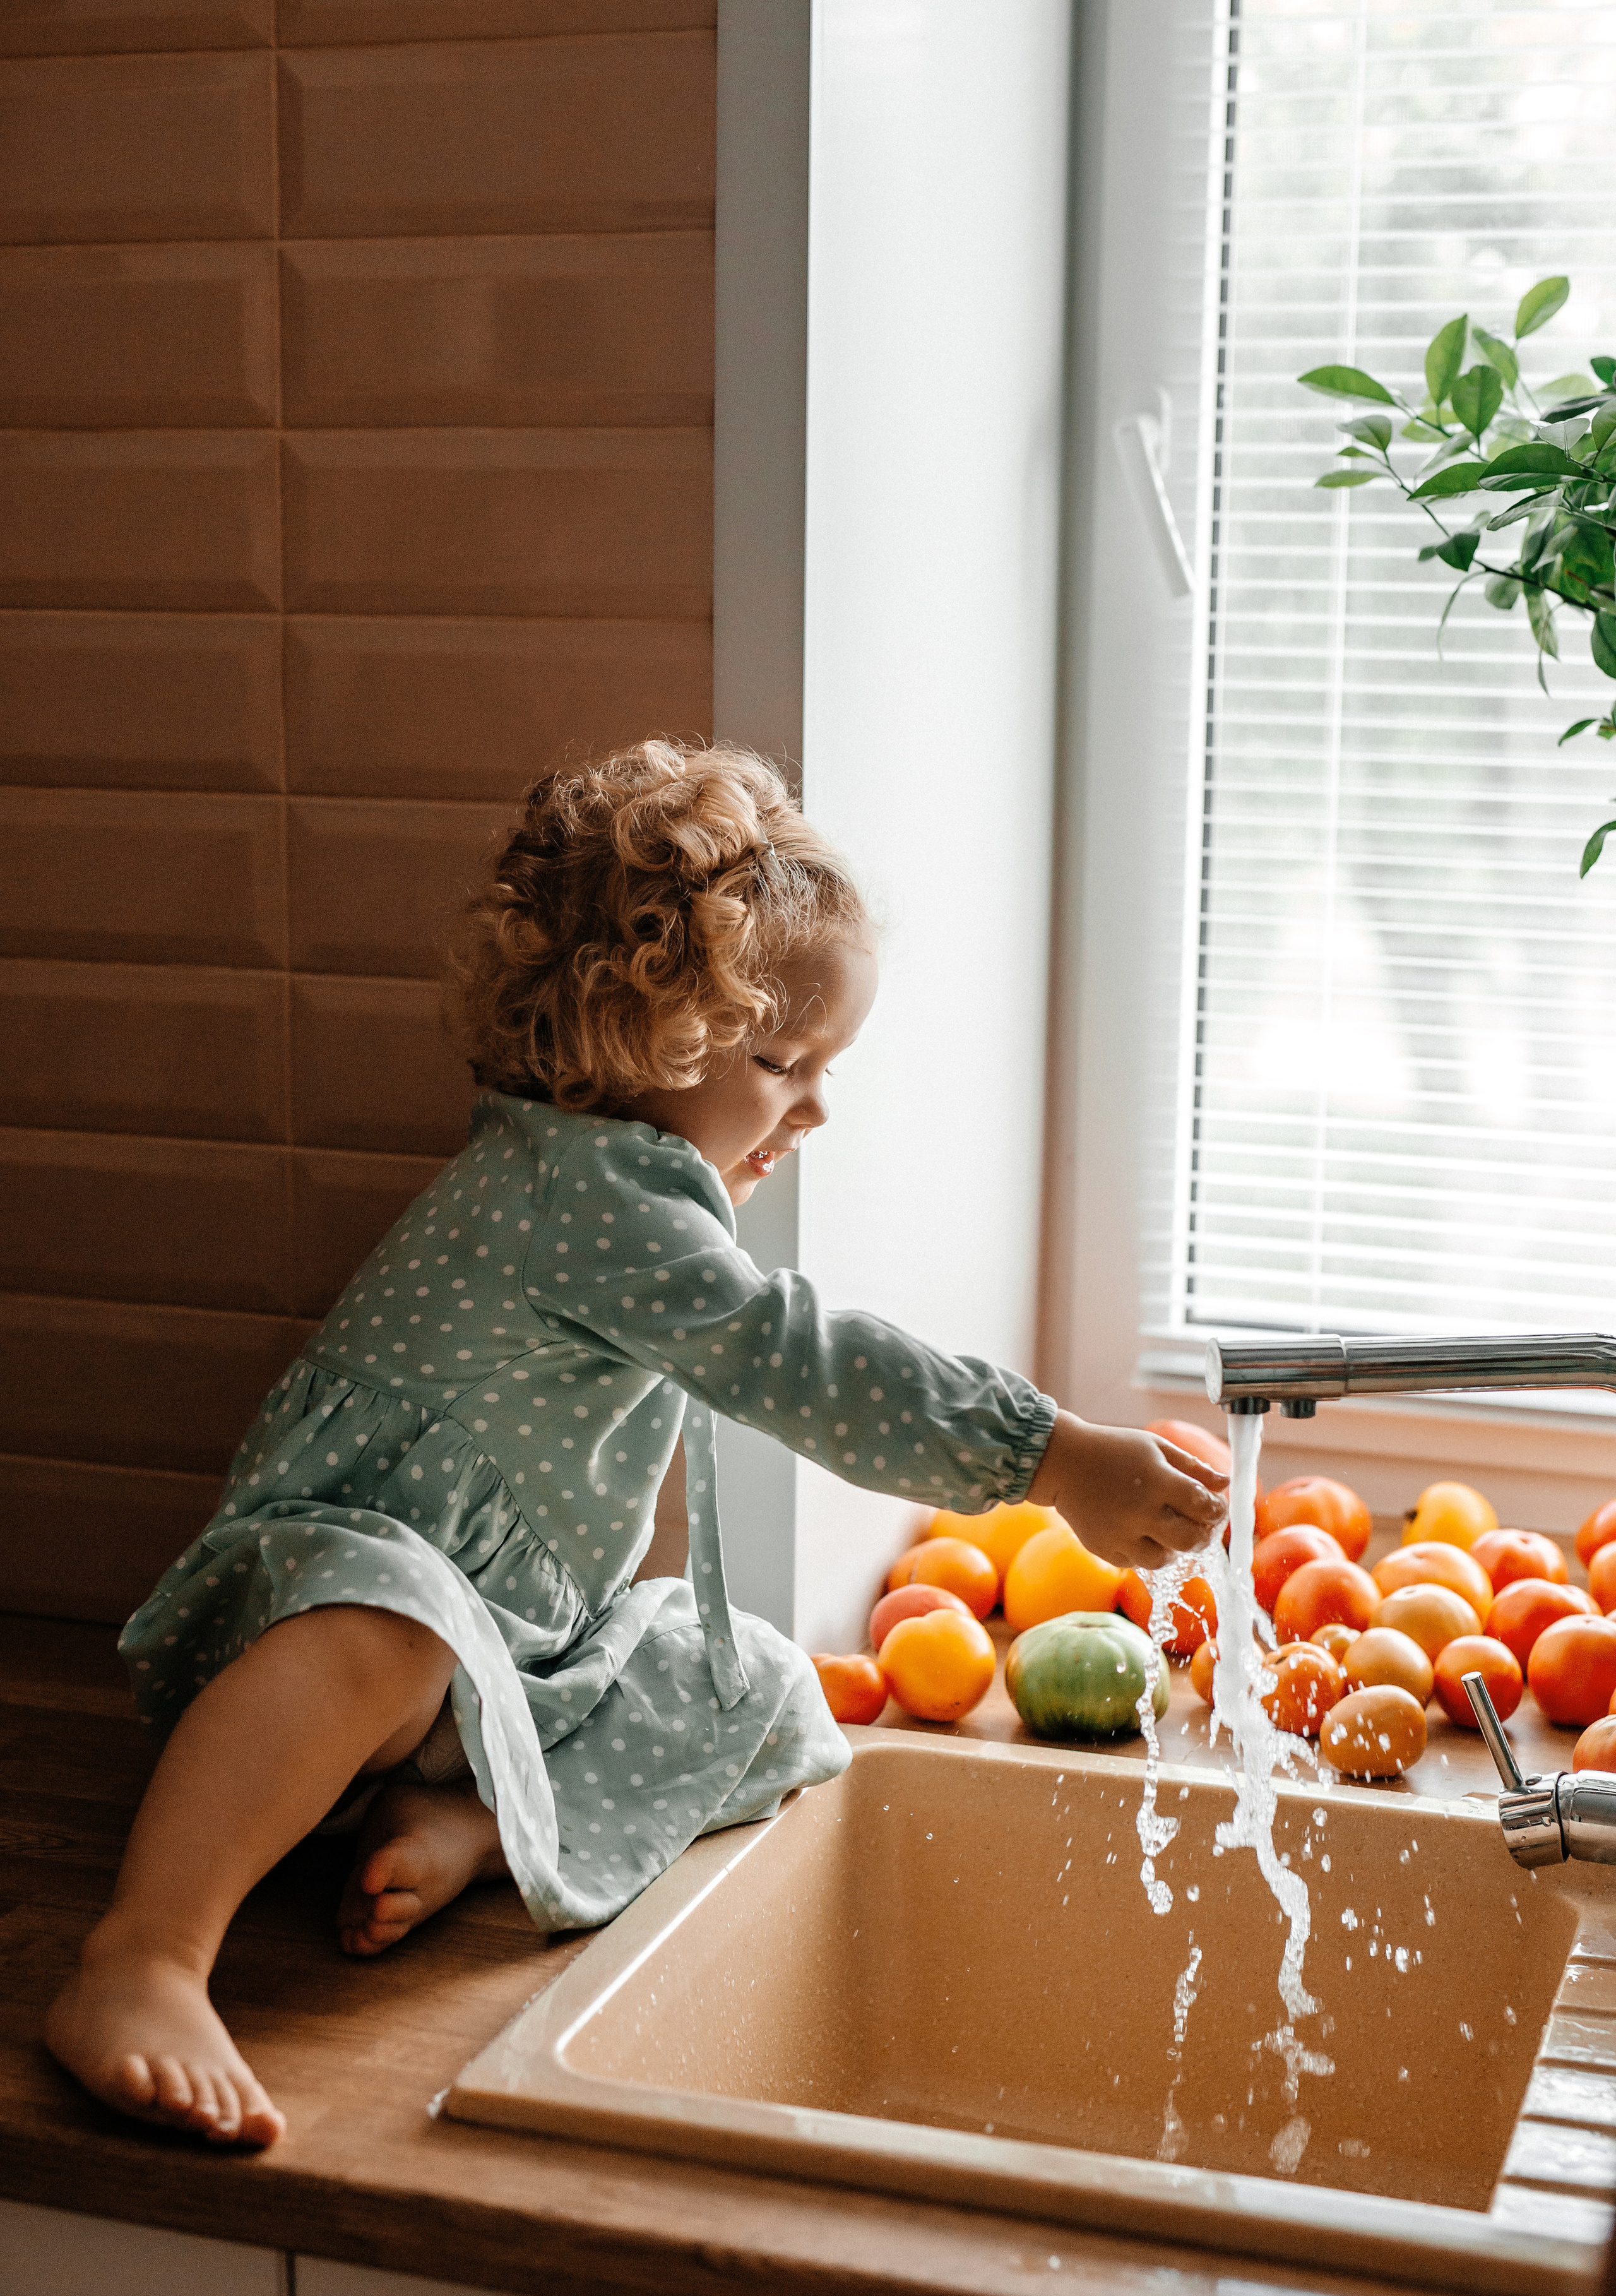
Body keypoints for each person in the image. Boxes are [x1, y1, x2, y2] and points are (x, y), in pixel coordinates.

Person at [46, 741, 1228, 2150]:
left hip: (497, 1668)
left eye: (825, 1068)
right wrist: (1046, 1455)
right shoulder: (586, 1200)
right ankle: (147, 1956)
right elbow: (796, 1358)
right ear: (643, 1036)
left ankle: (485, 1826)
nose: (815, 1107)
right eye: (783, 1063)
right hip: (303, 1636)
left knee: (757, 1687)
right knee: (390, 1613)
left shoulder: (630, 1187)